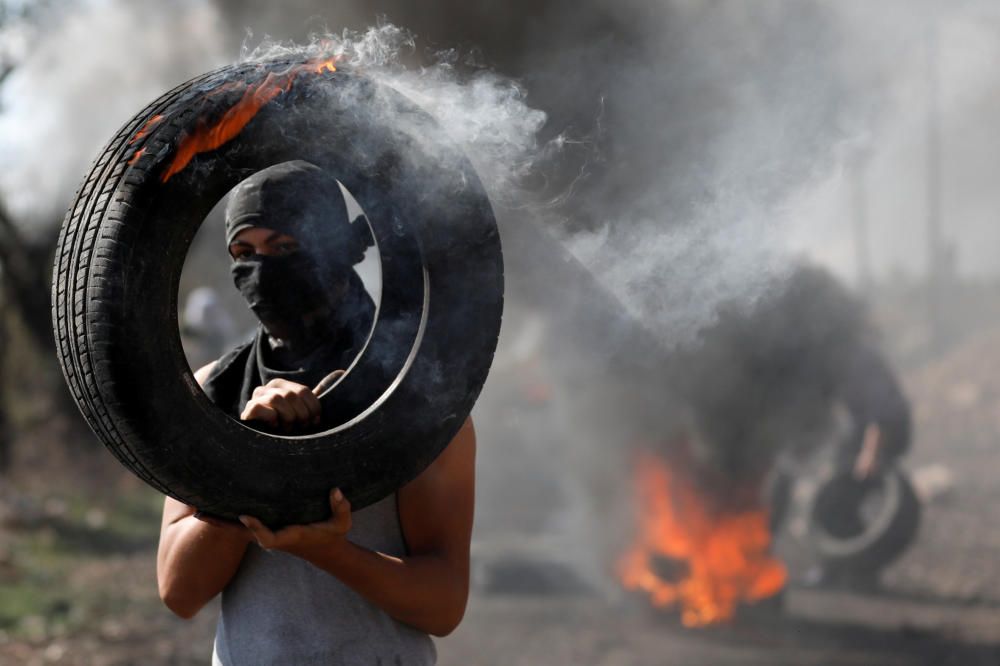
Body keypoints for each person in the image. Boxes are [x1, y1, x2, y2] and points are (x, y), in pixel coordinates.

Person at [156, 161, 476, 665]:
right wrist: (249, 460)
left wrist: (326, 549)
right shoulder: (213, 389)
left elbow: (443, 605)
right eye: (245, 252)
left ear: (337, 249)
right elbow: (179, 590)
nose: (263, 269)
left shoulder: (411, 393)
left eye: (285, 248)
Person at [674, 265, 912, 584]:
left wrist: (870, 453)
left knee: (839, 496)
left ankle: (845, 571)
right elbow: (813, 415)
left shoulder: (855, 357)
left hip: (882, 431)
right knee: (822, 490)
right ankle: (843, 571)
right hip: (865, 431)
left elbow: (881, 410)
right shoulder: (835, 357)